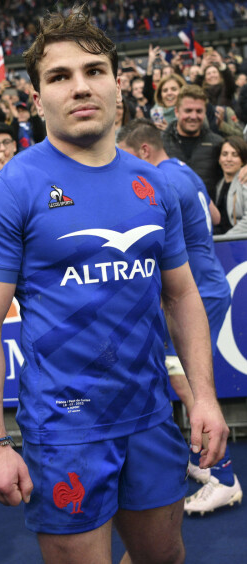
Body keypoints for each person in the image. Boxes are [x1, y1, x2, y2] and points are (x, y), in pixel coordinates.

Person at [0, 5, 228, 564]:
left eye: (94, 70)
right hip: (65, 431)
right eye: (59, 76)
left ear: (117, 87)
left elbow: (181, 294)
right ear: (37, 100)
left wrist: (203, 394)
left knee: (166, 558)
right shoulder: (8, 193)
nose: (80, 87)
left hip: (152, 417)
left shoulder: (156, 185)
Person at [117, 118, 242, 515]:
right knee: (183, 378)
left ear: (142, 151)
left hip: (193, 293)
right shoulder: (184, 172)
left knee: (187, 384)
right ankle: (205, 462)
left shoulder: (159, 183)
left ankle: (223, 476)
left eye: (123, 155)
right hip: (206, 283)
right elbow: (215, 218)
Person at [162, 84, 224, 200]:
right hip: (171, 215)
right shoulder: (160, 143)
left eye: (199, 111)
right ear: (176, 111)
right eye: (188, 110)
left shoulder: (218, 143)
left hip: (208, 214)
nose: (194, 116)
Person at [214, 135, 247, 236]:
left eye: (235, 155)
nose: (229, 159)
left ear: (242, 160)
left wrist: (226, 240)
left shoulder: (244, 182)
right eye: (224, 154)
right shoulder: (219, 185)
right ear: (219, 159)